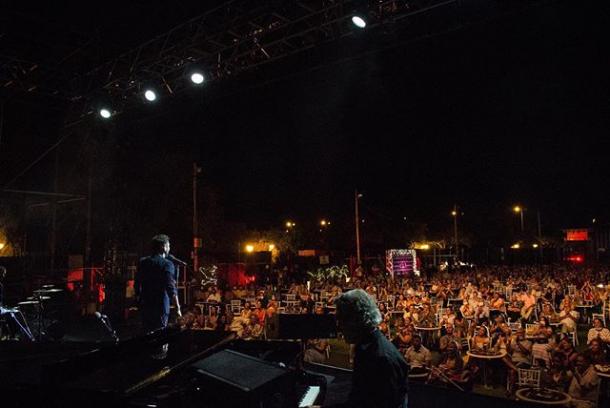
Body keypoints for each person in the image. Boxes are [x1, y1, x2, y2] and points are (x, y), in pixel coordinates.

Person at [310, 289, 408, 408]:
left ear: (357, 320)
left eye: (342, 320)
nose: (339, 326)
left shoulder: (380, 358)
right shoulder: (368, 347)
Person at [135, 234, 182, 333]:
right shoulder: (167, 264)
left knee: (146, 336)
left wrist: (138, 300)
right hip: (160, 307)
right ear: (163, 247)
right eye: (168, 246)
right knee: (159, 336)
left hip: (146, 305)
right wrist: (177, 308)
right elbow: (171, 288)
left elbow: (137, 283)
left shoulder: (143, 262)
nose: (169, 248)